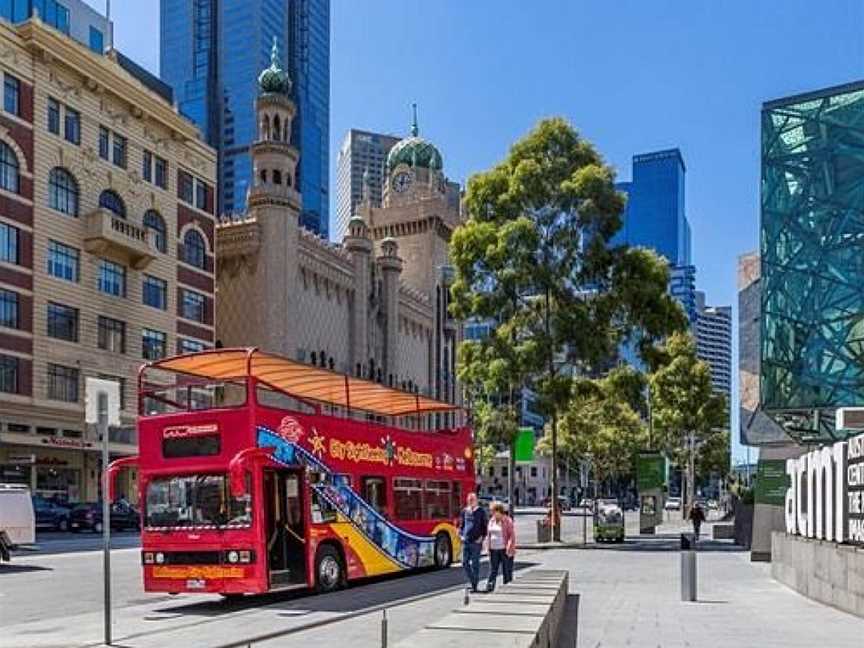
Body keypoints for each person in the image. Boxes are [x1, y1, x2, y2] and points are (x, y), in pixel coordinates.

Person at [459, 492, 487, 592]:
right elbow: (461, 525)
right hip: (466, 541)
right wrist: (461, 535)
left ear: (476, 500)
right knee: (464, 562)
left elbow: (484, 526)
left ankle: (474, 585)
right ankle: (473, 580)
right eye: (469, 500)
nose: (471, 501)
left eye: (473, 499)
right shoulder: (465, 511)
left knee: (475, 564)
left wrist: (482, 537)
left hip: (476, 542)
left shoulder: (481, 511)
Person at [485, 501, 516, 591]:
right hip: (493, 549)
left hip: (504, 550)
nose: (491, 513)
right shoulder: (491, 521)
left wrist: (509, 547)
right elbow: (488, 535)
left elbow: (511, 536)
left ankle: (507, 588)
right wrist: (488, 547)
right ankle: (489, 587)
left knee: (506, 570)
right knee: (493, 570)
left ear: (499, 511)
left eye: (493, 511)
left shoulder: (507, 520)